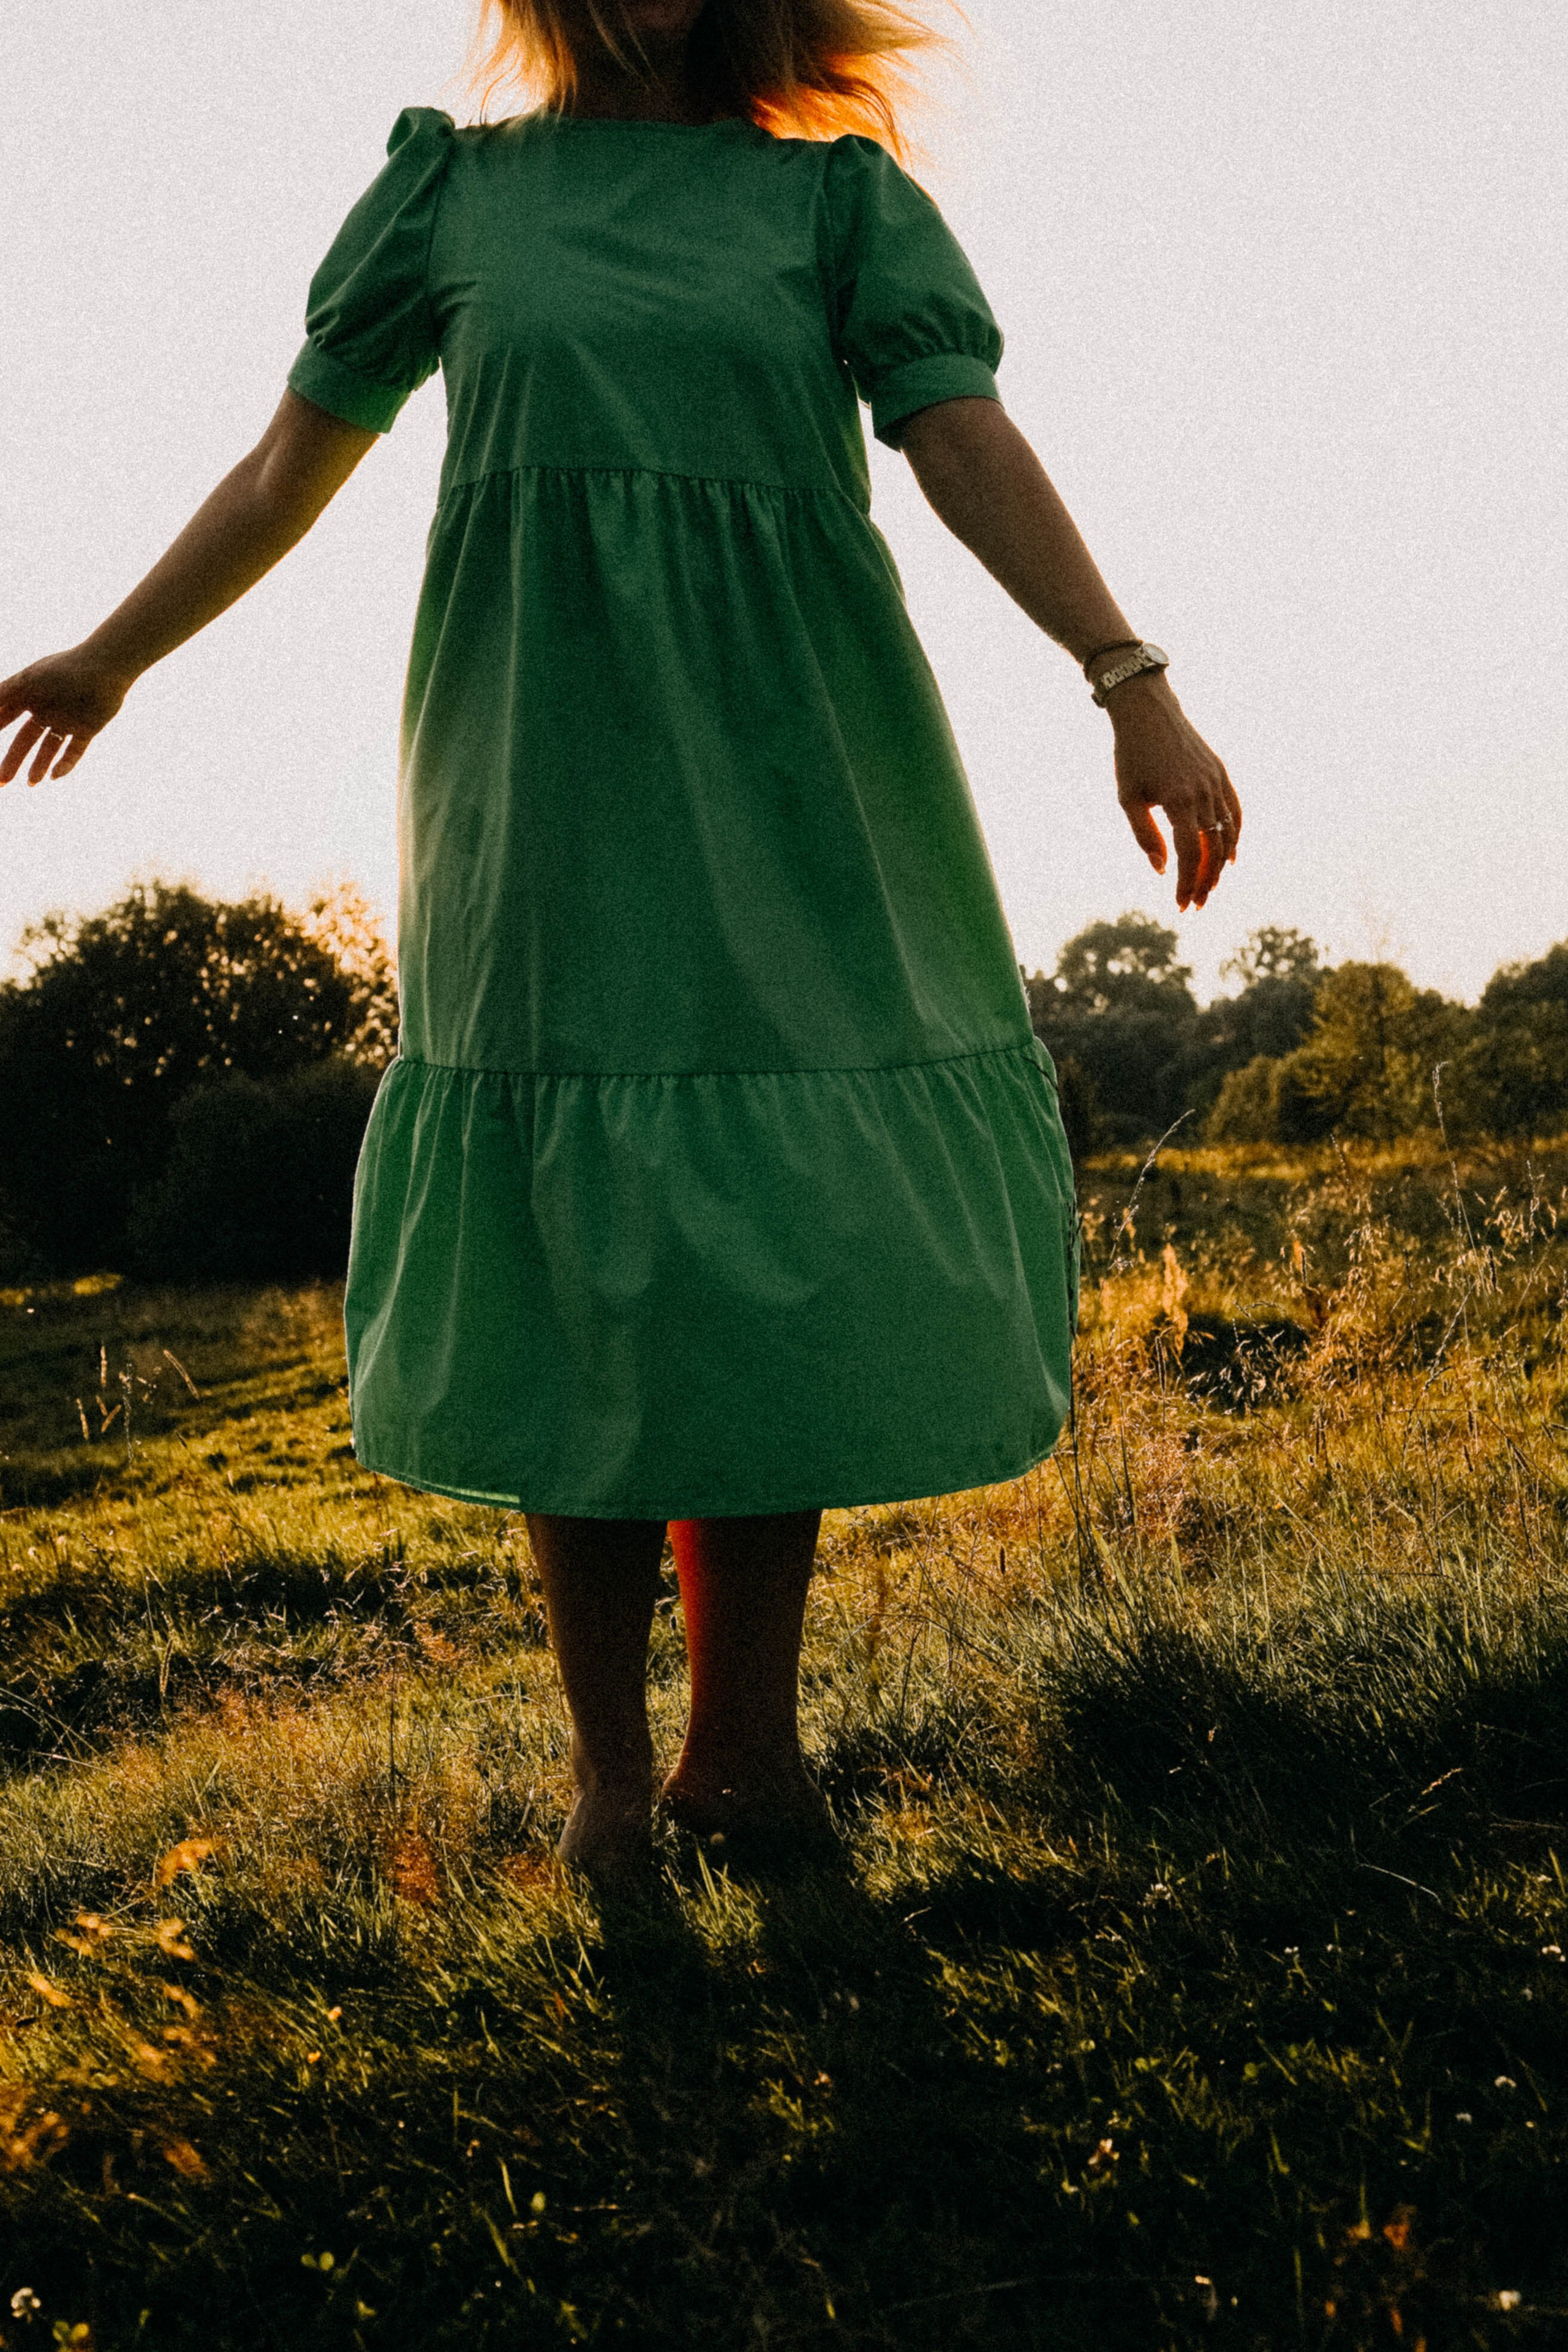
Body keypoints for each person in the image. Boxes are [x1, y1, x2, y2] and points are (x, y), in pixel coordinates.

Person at [0, 0, 1240, 1877]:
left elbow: (965, 439)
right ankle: (604, 1772)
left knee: (769, 1239)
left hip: (795, 752)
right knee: (571, 1240)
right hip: (539, 759)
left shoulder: (834, 204)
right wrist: (111, 656)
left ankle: (744, 1752)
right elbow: (282, 472)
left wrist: (1128, 677)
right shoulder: (451, 195)